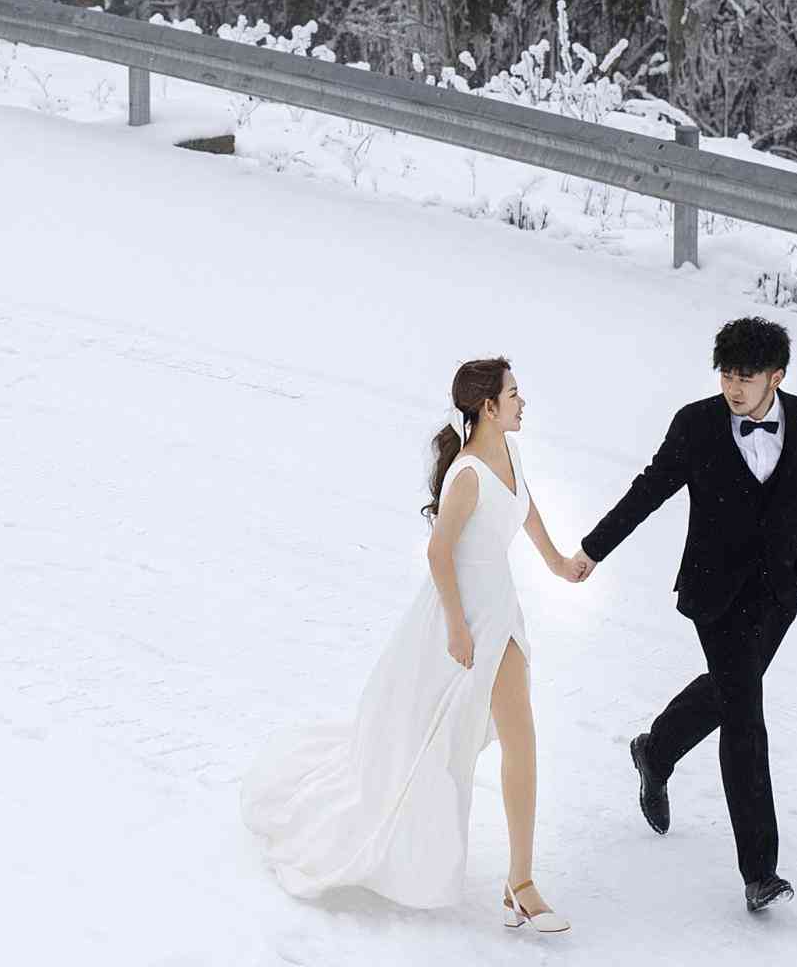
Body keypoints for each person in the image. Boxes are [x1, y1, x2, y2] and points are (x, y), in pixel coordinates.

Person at [242, 357, 592, 931]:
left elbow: (524, 510)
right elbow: (439, 552)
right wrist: (457, 626)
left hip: (501, 612)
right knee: (466, 741)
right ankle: (520, 883)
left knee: (519, 738)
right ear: (488, 407)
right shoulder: (468, 474)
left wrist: (557, 564)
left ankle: (519, 880)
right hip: (467, 620)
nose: (522, 401)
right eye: (513, 393)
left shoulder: (509, 455)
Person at [576, 316, 797, 914]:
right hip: (714, 594)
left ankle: (657, 750)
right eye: (725, 375)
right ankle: (759, 871)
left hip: (778, 596)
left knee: (729, 690)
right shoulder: (696, 425)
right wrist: (591, 551)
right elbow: (649, 489)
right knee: (745, 712)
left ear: (778, 376)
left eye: (746, 378)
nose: (734, 389)